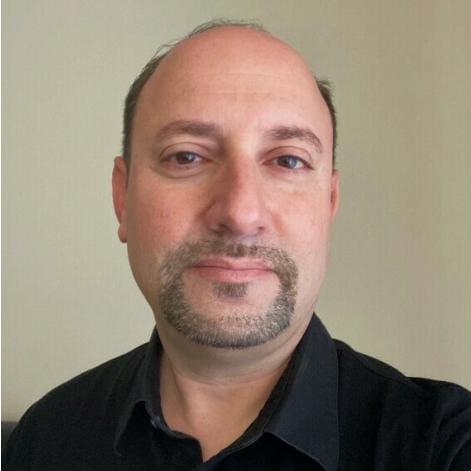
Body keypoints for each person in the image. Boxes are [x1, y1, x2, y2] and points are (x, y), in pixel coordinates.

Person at [3, 20, 471, 470]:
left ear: (329, 202)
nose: (240, 213)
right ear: (122, 197)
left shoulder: (444, 446)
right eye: (187, 156)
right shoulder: (46, 437)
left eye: (288, 161)